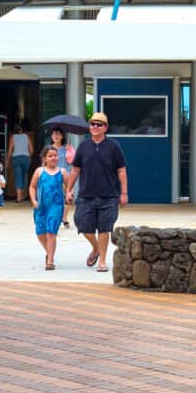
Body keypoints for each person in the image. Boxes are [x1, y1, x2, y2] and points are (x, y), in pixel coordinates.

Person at [65, 111, 128, 273]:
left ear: (105, 127)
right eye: (92, 123)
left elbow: (121, 171)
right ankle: (96, 248)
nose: (95, 127)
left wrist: (124, 193)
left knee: (104, 228)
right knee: (83, 226)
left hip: (109, 196)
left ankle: (102, 261)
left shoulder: (114, 146)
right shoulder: (83, 146)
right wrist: (69, 190)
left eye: (99, 124)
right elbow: (75, 170)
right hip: (86, 195)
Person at [30, 146, 65, 270]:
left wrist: (69, 195)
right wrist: (33, 200)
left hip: (56, 206)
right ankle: (49, 252)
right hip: (40, 206)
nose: (53, 158)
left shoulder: (62, 171)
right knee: (40, 233)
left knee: (51, 232)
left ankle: (50, 261)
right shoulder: (39, 171)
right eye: (50, 156)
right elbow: (32, 187)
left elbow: (69, 186)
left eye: (55, 155)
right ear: (45, 158)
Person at [50, 126, 76, 229]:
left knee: (68, 198)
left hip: (66, 176)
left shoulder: (66, 148)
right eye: (54, 134)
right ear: (51, 136)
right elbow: (44, 163)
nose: (56, 136)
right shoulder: (49, 149)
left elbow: (72, 161)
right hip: (52, 176)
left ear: (62, 136)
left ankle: (64, 218)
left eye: (58, 134)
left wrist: (70, 150)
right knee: (54, 199)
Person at [8, 121, 34, 202]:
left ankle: (19, 197)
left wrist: (7, 160)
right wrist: (28, 156)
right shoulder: (27, 137)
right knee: (24, 176)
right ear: (22, 129)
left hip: (16, 158)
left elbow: (10, 150)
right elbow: (32, 150)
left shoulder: (12, 137)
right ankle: (23, 195)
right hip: (26, 158)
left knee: (18, 177)